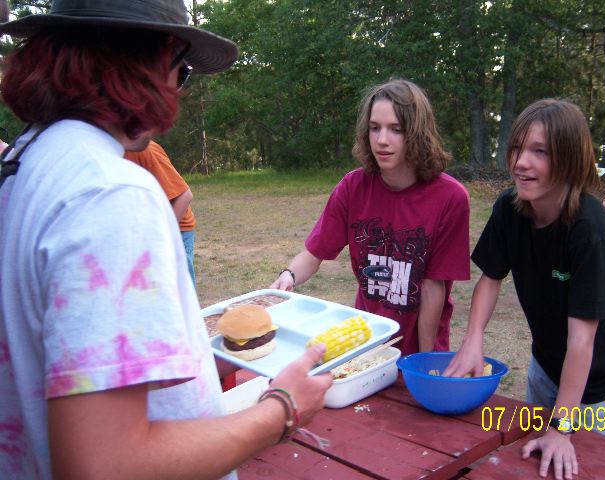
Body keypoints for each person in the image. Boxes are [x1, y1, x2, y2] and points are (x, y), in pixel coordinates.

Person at [0, 2, 332, 479]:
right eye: (182, 71)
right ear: (158, 61)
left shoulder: (25, 163)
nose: (177, 88)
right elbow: (106, 466)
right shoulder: (109, 192)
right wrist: (282, 409)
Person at [444, 99, 605, 480]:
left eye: (540, 152)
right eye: (517, 148)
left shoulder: (592, 232)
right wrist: (473, 338)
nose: (520, 162)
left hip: (597, 386)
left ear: (570, 160)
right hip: (545, 368)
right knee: (534, 468)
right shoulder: (509, 209)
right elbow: (490, 279)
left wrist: (562, 428)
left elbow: (582, 341)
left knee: (592, 471)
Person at [270, 79, 470, 355]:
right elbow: (314, 254)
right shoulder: (352, 187)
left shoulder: (450, 197)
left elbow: (433, 286)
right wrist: (288, 276)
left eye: (396, 129)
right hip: (367, 343)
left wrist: (423, 363)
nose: (382, 140)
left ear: (417, 132)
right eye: (375, 128)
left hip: (420, 347)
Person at [125, 140, 198, 285]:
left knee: (179, 289)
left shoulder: (145, 150)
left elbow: (184, 196)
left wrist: (158, 237)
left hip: (176, 231)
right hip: (145, 232)